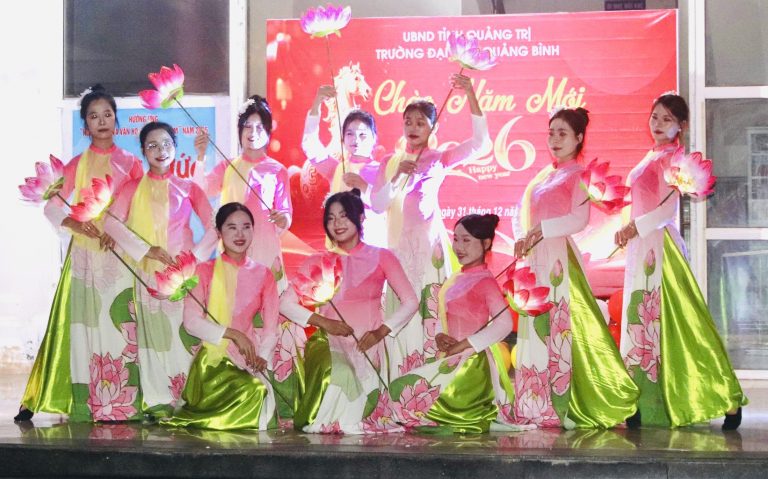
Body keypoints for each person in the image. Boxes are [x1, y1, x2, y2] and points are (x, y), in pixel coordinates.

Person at [614, 93, 746, 429]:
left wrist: (634, 227)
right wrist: (629, 228)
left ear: (681, 126)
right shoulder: (653, 155)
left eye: (667, 119)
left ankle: (726, 397)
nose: (657, 124)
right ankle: (642, 402)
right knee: (643, 325)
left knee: (683, 326)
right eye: (654, 117)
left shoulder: (676, 160)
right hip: (642, 246)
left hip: (661, 249)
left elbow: (666, 210)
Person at [17, 84, 144, 422]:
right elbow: (52, 207)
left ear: (116, 120)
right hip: (86, 257)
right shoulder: (76, 165)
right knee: (82, 325)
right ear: (85, 125)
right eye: (93, 116)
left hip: (118, 255)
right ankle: (80, 397)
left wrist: (120, 234)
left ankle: (124, 400)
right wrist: (75, 223)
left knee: (119, 324)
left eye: (107, 114)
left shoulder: (132, 164)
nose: (101, 121)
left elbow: (139, 209)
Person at [512, 107, 639, 428]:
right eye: (551, 133)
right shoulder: (548, 175)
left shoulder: (580, 175)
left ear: (579, 138)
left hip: (558, 258)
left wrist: (542, 230)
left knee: (568, 330)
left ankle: (583, 400)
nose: (555, 139)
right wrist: (526, 238)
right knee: (539, 328)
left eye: (563, 133)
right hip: (538, 257)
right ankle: (535, 401)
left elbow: (578, 220)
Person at [370, 73, 491, 380]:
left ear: (432, 128)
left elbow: (480, 144)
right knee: (400, 306)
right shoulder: (390, 161)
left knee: (431, 307)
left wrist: (470, 92)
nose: (413, 128)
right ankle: (398, 374)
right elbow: (378, 205)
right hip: (397, 248)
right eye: (408, 122)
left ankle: (430, 373)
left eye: (421, 123)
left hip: (429, 248)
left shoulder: (439, 159)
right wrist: (398, 175)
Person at [194, 95, 304, 418]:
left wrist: (283, 219)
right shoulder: (228, 167)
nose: (253, 133)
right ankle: (231, 380)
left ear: (268, 132)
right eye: (247, 127)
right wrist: (200, 156)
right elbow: (202, 190)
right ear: (239, 131)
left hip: (266, 249)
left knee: (272, 317)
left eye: (259, 128)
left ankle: (277, 388)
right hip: (231, 255)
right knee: (233, 313)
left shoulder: (277, 170)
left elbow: (285, 212)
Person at [104, 121, 218, 417]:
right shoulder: (131, 188)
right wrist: (146, 250)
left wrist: (193, 258)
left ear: (175, 148)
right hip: (149, 273)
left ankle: (191, 396)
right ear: (143, 151)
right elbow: (110, 223)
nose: (160, 150)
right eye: (152, 145)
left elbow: (215, 226)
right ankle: (157, 399)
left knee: (187, 335)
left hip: (184, 275)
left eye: (166, 144)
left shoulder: (188, 187)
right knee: (154, 338)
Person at [280, 191, 418, 434]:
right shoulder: (318, 261)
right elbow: (285, 303)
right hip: (328, 343)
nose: (337, 223)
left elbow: (410, 301)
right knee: (342, 374)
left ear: (361, 217)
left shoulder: (382, 257)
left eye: (344, 216)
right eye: (331, 218)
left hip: (368, 343)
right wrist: (324, 323)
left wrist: (380, 332)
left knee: (362, 396)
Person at [393, 214, 527, 433]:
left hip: (470, 364)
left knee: (411, 405)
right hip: (450, 359)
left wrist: (465, 344)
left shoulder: (486, 282)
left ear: (486, 244)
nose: (459, 247)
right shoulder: (457, 276)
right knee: (403, 396)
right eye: (456, 239)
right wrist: (439, 335)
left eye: (466, 240)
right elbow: (443, 314)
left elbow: (504, 324)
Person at [162, 203, 279, 430]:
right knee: (253, 391)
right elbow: (191, 322)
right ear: (219, 232)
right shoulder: (204, 270)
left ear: (253, 230)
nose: (239, 234)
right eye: (231, 227)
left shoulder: (264, 274)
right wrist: (232, 334)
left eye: (246, 227)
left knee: (262, 401)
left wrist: (263, 357)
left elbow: (271, 328)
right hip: (214, 358)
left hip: (248, 358)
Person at [301, 86, 385, 246]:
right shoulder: (336, 169)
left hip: (373, 246)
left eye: (362, 134)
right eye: (350, 134)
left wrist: (364, 187)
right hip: (341, 248)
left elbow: (384, 206)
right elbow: (310, 144)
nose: (356, 139)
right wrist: (317, 102)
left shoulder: (382, 170)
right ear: (343, 139)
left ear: (374, 138)